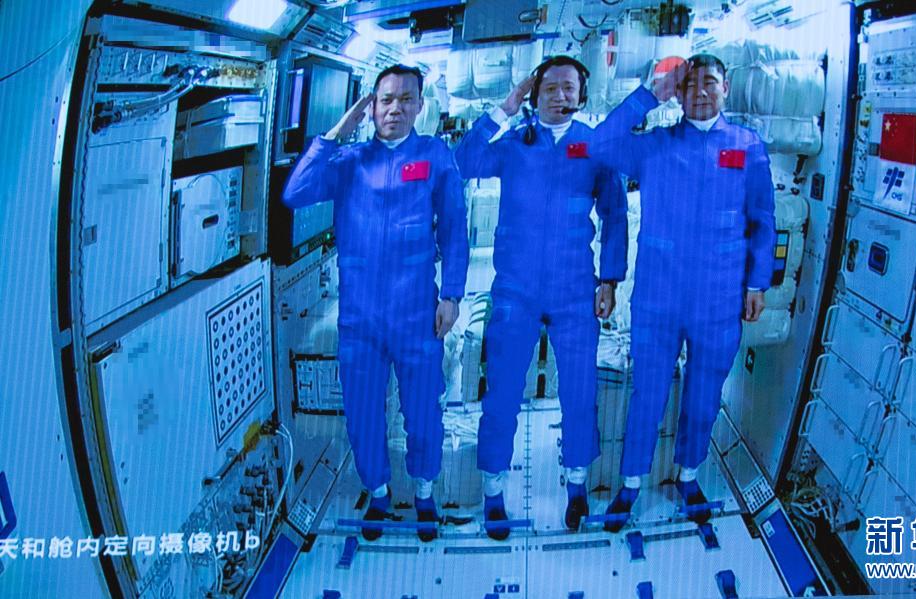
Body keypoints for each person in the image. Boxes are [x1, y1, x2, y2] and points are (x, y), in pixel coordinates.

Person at [282, 64, 468, 542]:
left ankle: (424, 493)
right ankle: (379, 494)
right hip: (360, 320)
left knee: (422, 412)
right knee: (363, 414)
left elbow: (454, 230)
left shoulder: (434, 156)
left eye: (406, 99)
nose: (395, 108)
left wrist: (452, 295)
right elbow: (294, 193)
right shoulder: (349, 162)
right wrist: (338, 132)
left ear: (420, 106)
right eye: (385, 99)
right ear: (371, 105)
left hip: (417, 315)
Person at [590, 54, 775, 531]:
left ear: (726, 88)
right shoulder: (654, 147)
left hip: (719, 298)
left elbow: (763, 221)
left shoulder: (747, 147)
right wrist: (651, 95)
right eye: (689, 84)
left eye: (709, 82)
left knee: (704, 394)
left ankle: (689, 476)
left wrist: (757, 283)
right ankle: (631, 483)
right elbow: (600, 143)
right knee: (647, 392)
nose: (700, 92)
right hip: (659, 297)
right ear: (677, 93)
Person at [454, 56, 628, 538]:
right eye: (549, 87)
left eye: (568, 87)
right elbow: (463, 162)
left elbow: (615, 215)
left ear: (581, 94)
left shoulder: (595, 147)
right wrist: (507, 105)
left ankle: (577, 485)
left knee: (580, 392)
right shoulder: (515, 143)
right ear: (535, 95)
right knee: (502, 391)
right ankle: (493, 492)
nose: (559, 95)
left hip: (574, 289)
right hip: (516, 289)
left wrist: (610, 280)